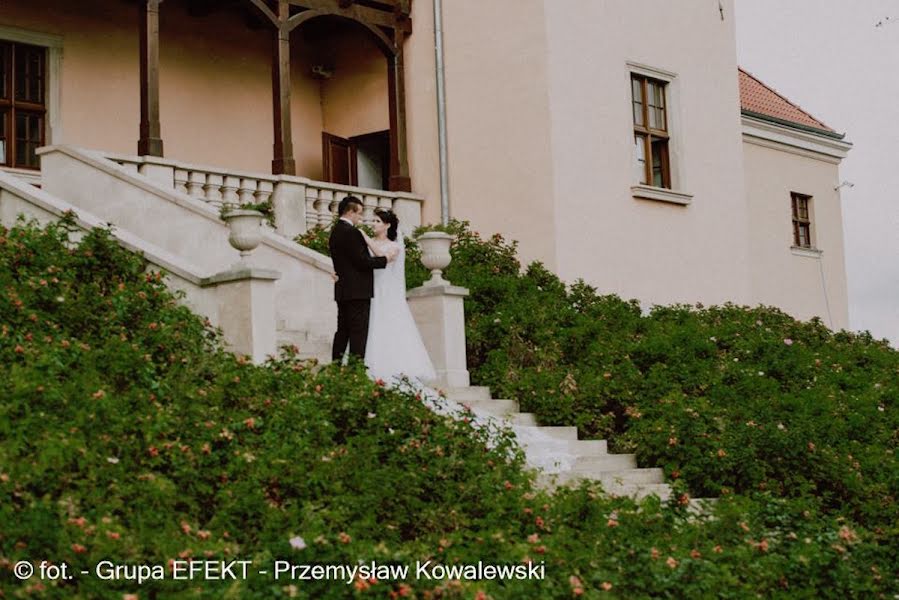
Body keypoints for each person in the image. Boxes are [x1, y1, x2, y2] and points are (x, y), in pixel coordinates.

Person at [360, 209, 437, 384]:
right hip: (371, 289)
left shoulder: (394, 246)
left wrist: (365, 238)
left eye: (378, 221)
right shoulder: (369, 243)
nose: (374, 224)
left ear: (387, 225)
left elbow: (382, 257)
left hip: (387, 292)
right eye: (374, 221)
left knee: (388, 325)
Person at [328, 196, 391, 361]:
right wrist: (385, 260)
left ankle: (336, 366)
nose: (360, 217)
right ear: (350, 212)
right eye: (359, 213)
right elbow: (362, 261)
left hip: (342, 290)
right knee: (358, 333)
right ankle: (355, 371)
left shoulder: (335, 232)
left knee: (342, 331)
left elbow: (343, 261)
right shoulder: (352, 232)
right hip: (357, 292)